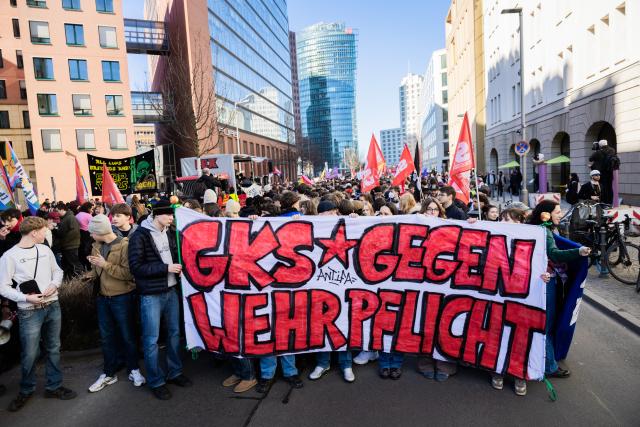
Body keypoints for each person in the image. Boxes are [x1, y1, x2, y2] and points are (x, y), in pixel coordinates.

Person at [0, 216, 76, 412]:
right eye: (44, 231)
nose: (47, 233)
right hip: (29, 311)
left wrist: (54, 284)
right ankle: (26, 389)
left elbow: (57, 272)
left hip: (52, 305)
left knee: (53, 347)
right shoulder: (9, 256)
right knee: (30, 353)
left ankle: (54, 386)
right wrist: (26, 299)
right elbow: (3, 287)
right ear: (34, 232)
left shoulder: (45, 250)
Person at [128, 200, 192, 400]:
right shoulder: (139, 236)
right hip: (151, 295)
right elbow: (136, 268)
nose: (172, 218)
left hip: (171, 291)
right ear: (157, 215)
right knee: (151, 340)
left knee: (174, 334)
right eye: (168, 215)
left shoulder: (170, 233)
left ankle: (175, 372)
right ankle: (156, 381)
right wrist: (166, 268)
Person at [527, 200, 590, 379]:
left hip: (535, 282)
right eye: (557, 211)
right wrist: (578, 252)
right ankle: (550, 366)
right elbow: (554, 254)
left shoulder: (535, 227)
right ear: (545, 215)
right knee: (546, 326)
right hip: (546, 283)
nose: (560, 214)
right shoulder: (545, 231)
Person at [85, 215, 145, 393]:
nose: (90, 236)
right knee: (106, 337)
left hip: (122, 297)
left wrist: (104, 264)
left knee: (127, 335)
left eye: (91, 233)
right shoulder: (96, 246)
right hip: (103, 298)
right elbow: (99, 272)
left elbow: (128, 274)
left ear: (99, 232)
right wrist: (90, 274)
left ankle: (134, 369)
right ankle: (109, 372)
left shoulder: (125, 245)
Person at [308, 200, 355, 383]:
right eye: (322, 213)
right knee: (321, 324)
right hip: (320, 286)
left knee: (344, 324)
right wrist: (295, 221)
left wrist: (355, 220)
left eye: (329, 212)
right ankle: (323, 362)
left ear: (336, 212)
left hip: (345, 285)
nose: (326, 217)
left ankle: (346, 364)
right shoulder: (314, 226)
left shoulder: (348, 225)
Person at [52, 202, 82, 279]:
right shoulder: (64, 218)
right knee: (67, 264)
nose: (56, 213)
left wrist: (64, 239)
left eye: (57, 211)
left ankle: (80, 279)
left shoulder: (70, 217)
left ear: (62, 210)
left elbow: (74, 232)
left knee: (74, 263)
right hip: (66, 245)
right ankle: (70, 278)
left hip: (71, 245)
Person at [588, 139, 618, 205]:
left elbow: (590, 159)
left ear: (600, 145)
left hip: (601, 173)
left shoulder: (598, 152)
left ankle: (604, 202)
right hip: (609, 172)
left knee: (602, 188)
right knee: (609, 188)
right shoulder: (612, 150)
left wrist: (596, 151)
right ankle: (610, 203)